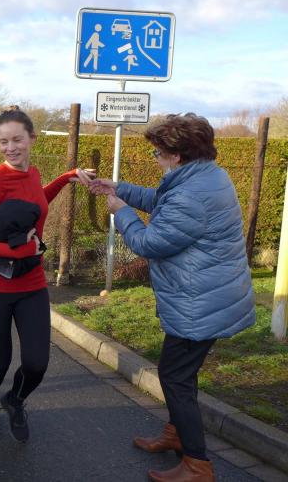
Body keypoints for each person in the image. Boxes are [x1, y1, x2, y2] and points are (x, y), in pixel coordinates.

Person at [89, 113, 255, 482]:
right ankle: (177, 434)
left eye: (157, 153)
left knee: (175, 377)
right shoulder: (206, 176)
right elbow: (162, 201)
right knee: (182, 373)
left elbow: (150, 243)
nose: (155, 158)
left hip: (200, 302)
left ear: (176, 155)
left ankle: (197, 464)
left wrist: (122, 212)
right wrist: (118, 187)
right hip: (207, 294)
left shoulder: (191, 194)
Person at [0, 106, 94, 442]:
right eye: (4, 141)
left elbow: (38, 201)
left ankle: (15, 399)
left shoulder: (33, 174)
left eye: (17, 140)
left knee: (37, 363)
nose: (10, 148)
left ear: (31, 139)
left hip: (32, 285)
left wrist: (66, 178)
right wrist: (20, 251)